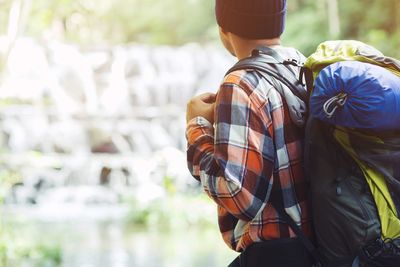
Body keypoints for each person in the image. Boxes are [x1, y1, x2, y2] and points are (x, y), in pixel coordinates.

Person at [186, 0, 312, 266]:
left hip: (274, 255)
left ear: (223, 29)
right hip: (313, 248)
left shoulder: (240, 84)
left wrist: (196, 126)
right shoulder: (300, 65)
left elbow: (240, 197)